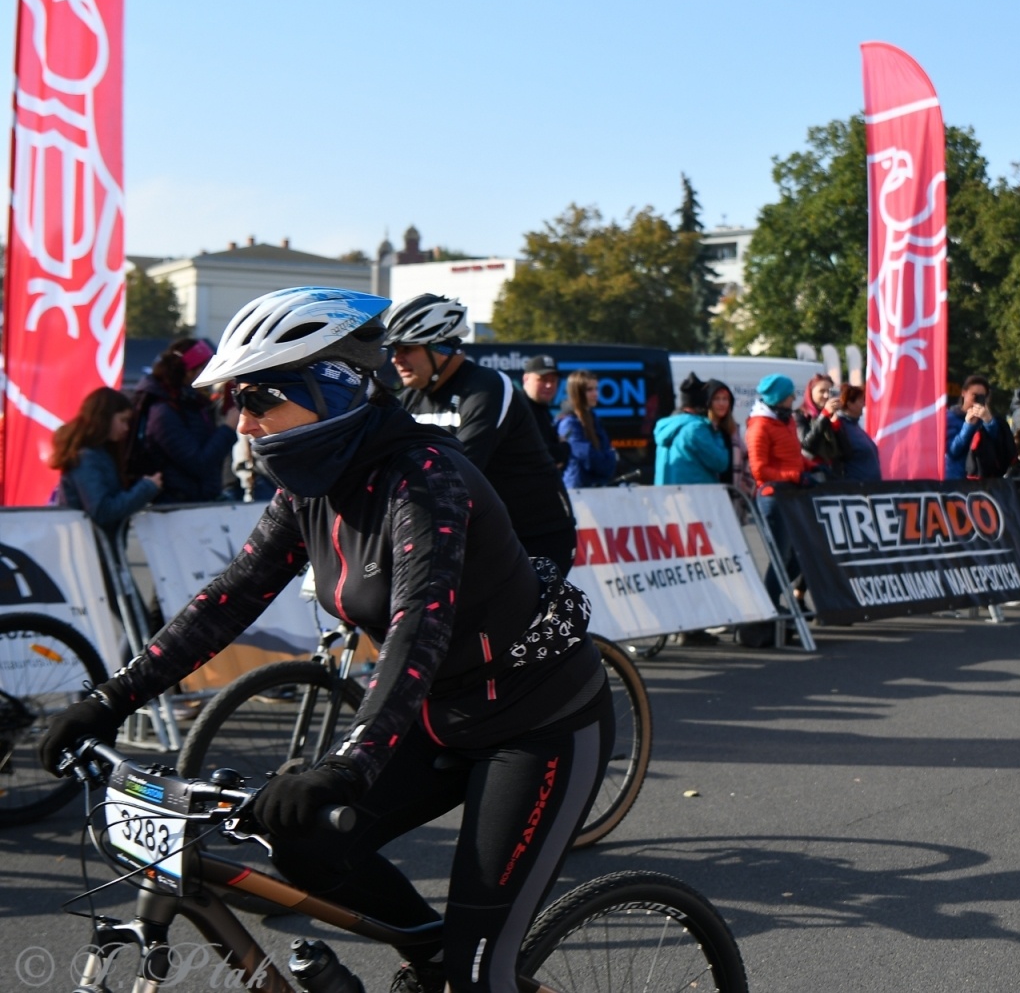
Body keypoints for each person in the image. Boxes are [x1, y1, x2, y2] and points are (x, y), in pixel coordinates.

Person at [39, 287, 610, 993]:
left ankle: (459, 969)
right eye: (236, 405)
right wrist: (109, 699)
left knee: (478, 969)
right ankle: (430, 955)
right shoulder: (310, 485)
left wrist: (346, 765)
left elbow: (416, 632)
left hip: (537, 723)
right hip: (440, 717)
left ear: (331, 391)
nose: (244, 424)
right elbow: (229, 599)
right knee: (302, 843)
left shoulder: (423, 478)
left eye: (258, 400)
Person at [383, 294, 577, 573]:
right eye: (393, 350)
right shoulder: (411, 396)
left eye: (406, 348)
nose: (396, 360)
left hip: (537, 535)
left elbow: (457, 471)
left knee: (506, 617)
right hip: (482, 535)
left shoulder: (487, 387)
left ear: (441, 346)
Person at [746, 374, 817, 643]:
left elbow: (795, 457)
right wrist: (795, 476)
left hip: (791, 496)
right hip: (773, 498)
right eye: (789, 396)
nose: (793, 400)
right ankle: (771, 605)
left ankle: (772, 600)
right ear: (777, 397)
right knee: (780, 556)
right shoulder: (760, 426)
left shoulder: (784, 421)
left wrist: (811, 467)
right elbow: (759, 469)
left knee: (797, 558)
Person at [133, 337, 238, 503]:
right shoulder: (162, 412)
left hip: (196, 501)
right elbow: (199, 463)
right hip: (176, 507)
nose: (209, 376)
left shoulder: (192, 404)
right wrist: (228, 429)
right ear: (188, 372)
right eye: (204, 368)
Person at [49, 387, 164, 532]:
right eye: (123, 420)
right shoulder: (87, 458)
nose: (126, 428)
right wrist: (146, 487)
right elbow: (102, 511)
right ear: (104, 418)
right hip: (90, 546)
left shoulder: (95, 455)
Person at [654, 373, 731, 484]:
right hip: (694, 497)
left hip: (668, 496)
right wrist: (717, 433)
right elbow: (720, 463)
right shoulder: (696, 428)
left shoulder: (667, 425)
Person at [558, 370, 620, 489]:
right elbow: (589, 459)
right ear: (577, 392)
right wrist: (611, 457)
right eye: (589, 390)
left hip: (594, 488)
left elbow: (605, 449)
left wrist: (609, 457)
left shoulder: (593, 417)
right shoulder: (569, 422)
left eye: (596, 388)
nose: (595, 393)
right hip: (578, 490)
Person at [946, 375, 1012, 479]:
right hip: (956, 478)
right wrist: (968, 425)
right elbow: (953, 451)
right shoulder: (950, 417)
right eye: (974, 395)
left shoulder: (986, 418)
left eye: (982, 396)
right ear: (964, 393)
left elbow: (998, 443)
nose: (977, 400)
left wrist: (989, 421)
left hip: (981, 477)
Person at [521, 354, 572, 472]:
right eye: (542, 380)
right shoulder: (519, 409)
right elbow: (538, 455)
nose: (549, 385)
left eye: (553, 381)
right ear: (526, 379)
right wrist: (564, 447)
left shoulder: (543, 409)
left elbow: (557, 460)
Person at [706, 379, 750, 492]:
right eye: (716, 399)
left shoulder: (734, 430)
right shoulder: (705, 429)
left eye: (725, 399)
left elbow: (746, 459)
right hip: (712, 493)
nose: (721, 403)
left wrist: (746, 487)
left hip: (735, 495)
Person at [796, 374, 844, 472]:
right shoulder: (799, 415)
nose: (826, 396)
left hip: (834, 474)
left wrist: (837, 427)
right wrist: (824, 416)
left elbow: (846, 451)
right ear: (810, 393)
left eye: (829, 391)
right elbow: (806, 445)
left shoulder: (833, 415)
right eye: (822, 391)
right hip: (813, 473)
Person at [834, 384, 882, 481]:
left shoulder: (855, 425)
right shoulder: (841, 426)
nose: (864, 404)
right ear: (849, 404)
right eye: (861, 401)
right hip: (856, 488)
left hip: (869, 487)